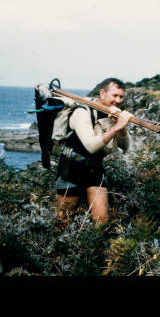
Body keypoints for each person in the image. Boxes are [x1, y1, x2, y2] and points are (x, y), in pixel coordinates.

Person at [55, 78, 133, 227]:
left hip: (95, 169)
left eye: (121, 96)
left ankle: (95, 249)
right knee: (63, 221)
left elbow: (125, 146)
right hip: (72, 168)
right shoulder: (82, 112)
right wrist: (116, 127)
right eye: (114, 95)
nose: (118, 100)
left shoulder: (113, 114)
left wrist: (120, 125)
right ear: (102, 93)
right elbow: (91, 146)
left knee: (102, 221)